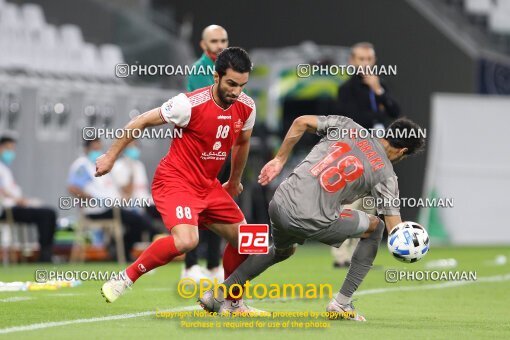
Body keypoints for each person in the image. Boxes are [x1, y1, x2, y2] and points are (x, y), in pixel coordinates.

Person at [199, 115, 425, 320]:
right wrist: (413, 245)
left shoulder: (349, 126)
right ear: (402, 151)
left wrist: (279, 160)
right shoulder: (386, 174)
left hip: (280, 202)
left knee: (283, 249)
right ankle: (341, 303)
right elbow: (395, 231)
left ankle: (218, 294)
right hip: (310, 218)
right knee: (374, 228)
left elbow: (300, 122)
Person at [98, 47, 256, 308]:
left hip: (208, 186)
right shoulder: (188, 104)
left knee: (248, 241)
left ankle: (231, 303)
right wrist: (110, 157)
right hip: (176, 182)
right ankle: (125, 278)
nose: (236, 91)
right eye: (231, 84)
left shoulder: (247, 107)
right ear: (216, 78)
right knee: (187, 240)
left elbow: (242, 142)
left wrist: (234, 180)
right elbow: (141, 121)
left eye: (242, 85)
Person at [334, 41, 401, 267]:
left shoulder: (380, 85)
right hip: (356, 152)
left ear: (374, 61)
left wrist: (378, 91)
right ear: (352, 61)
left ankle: (356, 256)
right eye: (360, 59)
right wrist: (376, 113)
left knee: (370, 205)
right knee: (349, 203)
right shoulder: (346, 89)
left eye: (368, 59)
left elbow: (394, 111)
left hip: (378, 152)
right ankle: (341, 255)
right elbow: (351, 117)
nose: (364, 64)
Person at [183, 24, 229, 283]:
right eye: (214, 41)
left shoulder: (229, 70)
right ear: (203, 45)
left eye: (223, 40)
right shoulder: (200, 71)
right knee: (195, 209)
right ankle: (191, 265)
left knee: (215, 207)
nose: (220, 45)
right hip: (200, 151)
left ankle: (213, 263)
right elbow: (211, 108)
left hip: (221, 149)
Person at [68, 138, 155, 261]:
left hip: (113, 207)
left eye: (99, 148)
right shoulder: (83, 165)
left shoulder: (99, 164)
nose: (97, 151)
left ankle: (118, 248)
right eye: (94, 149)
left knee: (141, 219)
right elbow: (73, 188)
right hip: (98, 210)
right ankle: (121, 250)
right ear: (86, 149)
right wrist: (93, 200)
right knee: (141, 222)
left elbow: (114, 190)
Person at [0, 136, 57, 262]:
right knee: (46, 214)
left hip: (16, 205)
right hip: (7, 209)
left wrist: (27, 201)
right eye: (8, 149)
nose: (11, 153)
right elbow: (4, 192)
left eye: (12, 149)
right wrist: (21, 201)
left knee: (49, 212)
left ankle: (46, 251)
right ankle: (45, 255)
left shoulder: (5, 169)